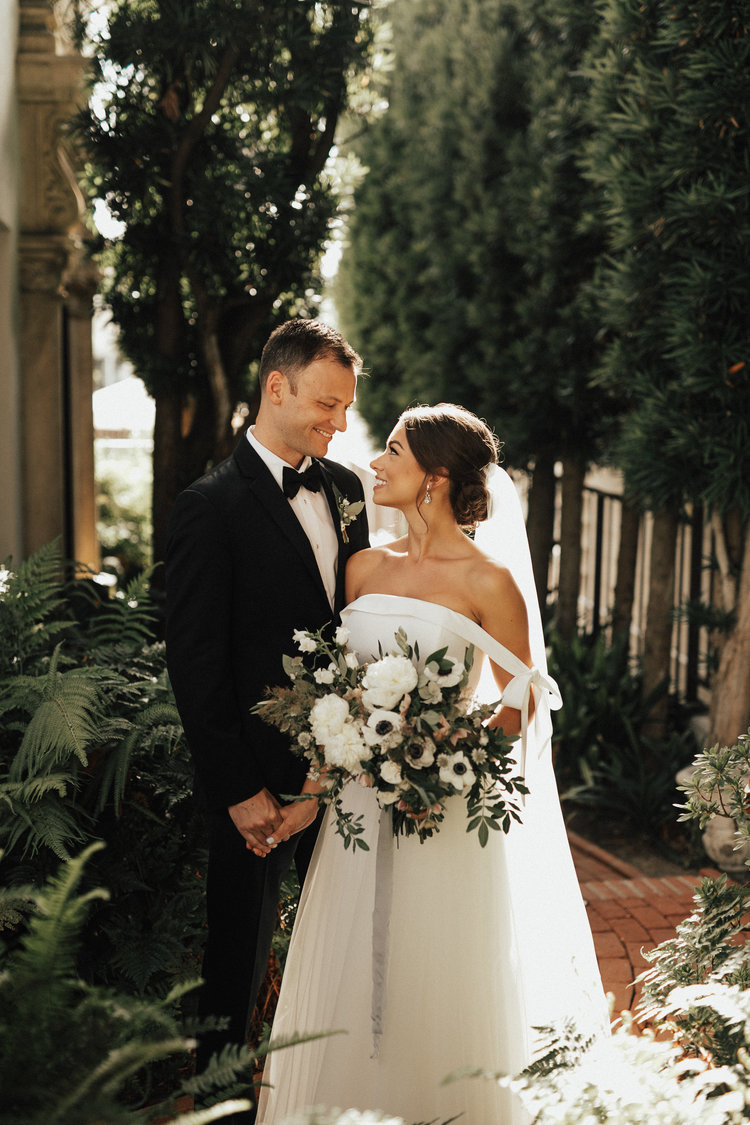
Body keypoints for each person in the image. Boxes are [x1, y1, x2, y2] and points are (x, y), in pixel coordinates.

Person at [257, 404, 609, 1124]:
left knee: (437, 968)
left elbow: (522, 696)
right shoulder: (362, 567)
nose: (376, 463)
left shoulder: (489, 581)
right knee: (352, 968)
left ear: (436, 477)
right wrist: (313, 793)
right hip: (358, 808)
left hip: (439, 808)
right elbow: (336, 694)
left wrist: (451, 756)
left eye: (393, 450)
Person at [165, 319, 370, 1120]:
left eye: (346, 407)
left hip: (341, 775)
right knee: (236, 963)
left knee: (346, 946)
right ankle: (222, 1111)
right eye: (326, 404)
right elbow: (196, 662)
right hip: (253, 788)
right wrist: (238, 789)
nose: (340, 423)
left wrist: (340, 762)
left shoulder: (347, 490)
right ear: (276, 387)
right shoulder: (208, 507)